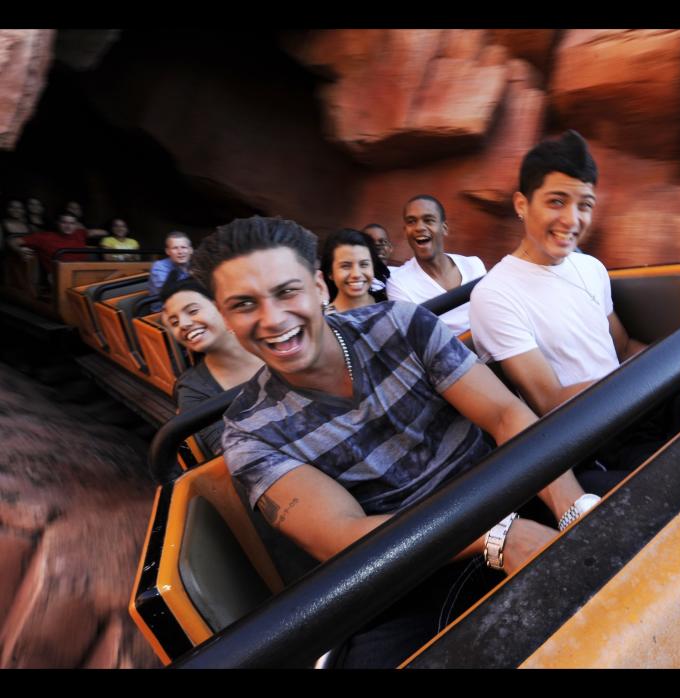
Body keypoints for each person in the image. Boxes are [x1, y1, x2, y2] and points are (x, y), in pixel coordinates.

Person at [190, 216, 608, 668]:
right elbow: (344, 537)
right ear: (226, 317)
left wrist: (572, 511)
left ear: (317, 285)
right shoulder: (250, 432)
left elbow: (505, 415)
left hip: (510, 488)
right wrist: (501, 537)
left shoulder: (402, 324)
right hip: (409, 566)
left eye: (286, 291)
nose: (272, 319)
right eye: (244, 304)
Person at [470, 130, 680, 471]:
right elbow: (549, 403)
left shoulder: (590, 267)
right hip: (593, 440)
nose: (572, 220)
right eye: (556, 202)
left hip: (642, 401)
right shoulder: (495, 295)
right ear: (522, 205)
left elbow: (624, 348)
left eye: (584, 206)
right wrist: (667, 368)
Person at [160, 275, 264, 458]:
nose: (183, 324)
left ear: (222, 308)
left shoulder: (274, 339)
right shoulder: (192, 390)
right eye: (174, 322)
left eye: (192, 311)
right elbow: (237, 457)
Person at [385, 196, 485, 335]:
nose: (419, 227)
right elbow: (419, 341)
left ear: (444, 228)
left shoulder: (473, 265)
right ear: (405, 232)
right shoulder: (399, 283)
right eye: (411, 221)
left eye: (428, 220)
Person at [319, 228, 389, 314]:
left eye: (364, 264)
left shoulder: (391, 304)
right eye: (345, 266)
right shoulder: (323, 320)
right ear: (330, 272)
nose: (356, 274)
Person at [10, 212, 96, 273]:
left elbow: (96, 232)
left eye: (72, 223)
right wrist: (19, 250)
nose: (68, 226)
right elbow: (12, 241)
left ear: (76, 225)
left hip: (83, 272)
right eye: (64, 222)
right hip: (58, 275)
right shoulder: (44, 237)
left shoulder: (80, 233)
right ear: (58, 223)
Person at [147, 231, 193, 311]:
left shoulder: (195, 263)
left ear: (190, 250)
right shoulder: (159, 267)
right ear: (167, 251)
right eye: (175, 248)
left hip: (190, 306)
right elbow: (172, 295)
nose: (180, 252)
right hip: (162, 312)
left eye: (184, 247)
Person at [361, 223, 397, 294]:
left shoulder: (399, 275)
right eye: (370, 243)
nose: (377, 246)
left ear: (390, 248)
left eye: (382, 242)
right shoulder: (356, 280)